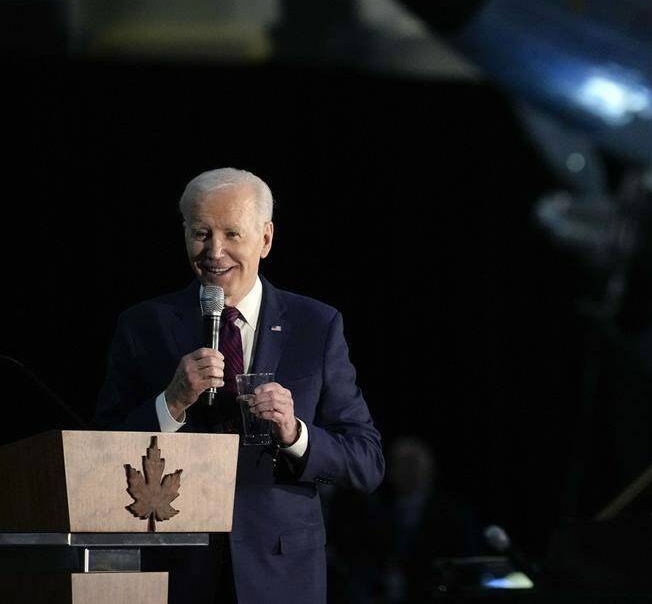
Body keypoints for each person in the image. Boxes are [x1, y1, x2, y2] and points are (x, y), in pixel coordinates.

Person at [94, 167, 384, 604]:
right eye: (201, 233)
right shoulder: (143, 326)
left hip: (281, 575)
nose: (215, 251)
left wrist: (295, 434)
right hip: (176, 572)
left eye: (232, 234)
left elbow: (366, 462)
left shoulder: (316, 326)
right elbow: (98, 454)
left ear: (265, 239)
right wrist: (169, 403)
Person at [331, 435, 483, 602]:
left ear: (430, 466)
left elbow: (465, 563)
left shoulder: (454, 513)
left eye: (412, 462)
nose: (405, 470)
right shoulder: (374, 509)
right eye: (398, 463)